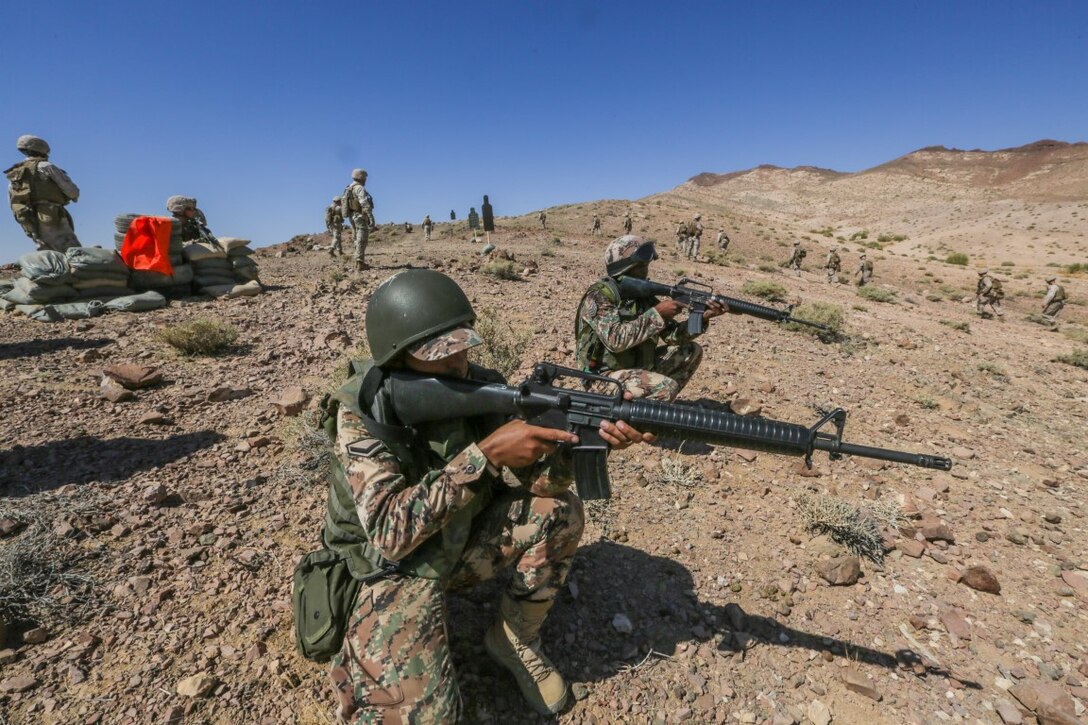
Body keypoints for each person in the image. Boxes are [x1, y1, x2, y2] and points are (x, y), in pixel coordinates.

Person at [320, 269, 653, 721]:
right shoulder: (363, 414)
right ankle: (363, 654)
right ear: (397, 359)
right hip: (390, 572)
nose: (458, 363)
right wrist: (487, 454)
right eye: (440, 356)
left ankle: (513, 638)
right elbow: (388, 534)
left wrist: (580, 445)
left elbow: (541, 488)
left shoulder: (480, 387)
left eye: (461, 347)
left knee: (560, 511)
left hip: (457, 541)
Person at [575, 235, 726, 402]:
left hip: (634, 370)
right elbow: (615, 340)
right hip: (602, 378)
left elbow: (672, 336)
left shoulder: (642, 297)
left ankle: (648, 401)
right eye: (642, 266)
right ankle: (639, 415)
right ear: (627, 267)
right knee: (666, 387)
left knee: (691, 351)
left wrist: (703, 318)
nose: (646, 271)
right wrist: (658, 313)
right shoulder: (600, 295)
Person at [5, 135, 81, 252]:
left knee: (48, 251)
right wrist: (74, 196)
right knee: (71, 249)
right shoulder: (46, 166)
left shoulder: (16, 172)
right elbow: (71, 190)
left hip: (28, 217)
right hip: (50, 213)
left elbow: (12, 198)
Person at [343, 168, 375, 272]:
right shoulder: (359, 188)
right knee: (362, 238)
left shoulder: (349, 188)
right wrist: (371, 216)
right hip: (360, 215)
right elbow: (364, 203)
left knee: (357, 237)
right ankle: (359, 262)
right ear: (361, 177)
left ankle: (357, 260)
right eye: (365, 177)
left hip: (352, 216)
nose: (366, 180)